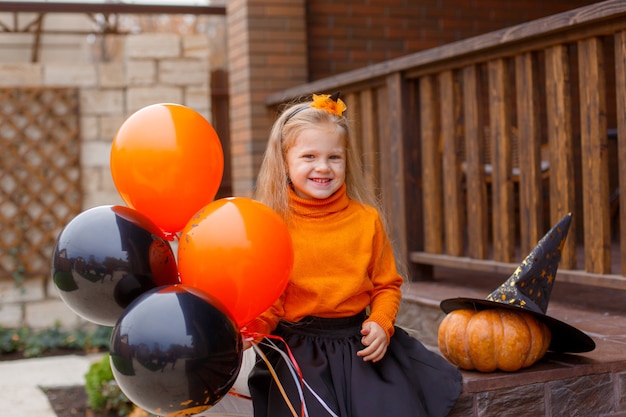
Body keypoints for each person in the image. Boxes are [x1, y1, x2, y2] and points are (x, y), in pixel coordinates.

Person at [242, 93, 462, 417]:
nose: (323, 167)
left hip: (358, 345)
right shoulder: (275, 226)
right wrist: (252, 330)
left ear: (347, 160)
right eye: (309, 157)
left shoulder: (365, 220)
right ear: (285, 162)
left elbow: (387, 285)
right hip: (299, 352)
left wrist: (381, 323)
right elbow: (270, 300)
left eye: (334, 157)